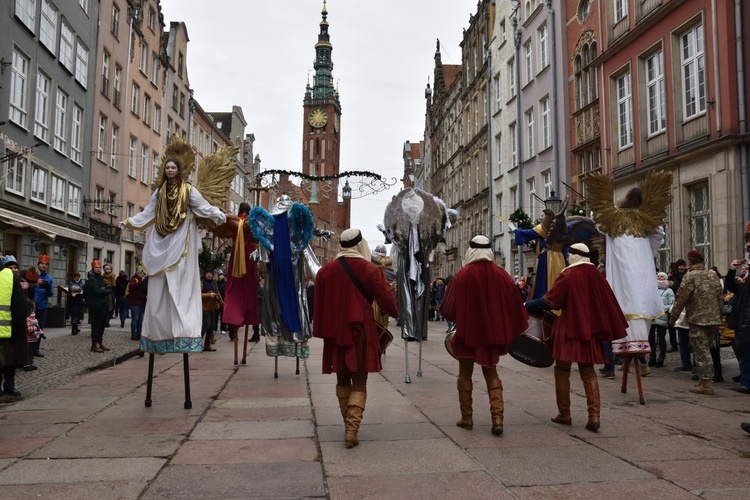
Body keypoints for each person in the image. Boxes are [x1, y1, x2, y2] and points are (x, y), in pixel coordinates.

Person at [121, 156, 226, 354]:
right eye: (167, 167)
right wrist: (130, 222)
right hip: (162, 240)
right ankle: (159, 332)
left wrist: (216, 213)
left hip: (181, 240)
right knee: (158, 288)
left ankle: (185, 330)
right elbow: (149, 212)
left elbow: (202, 205)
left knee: (182, 286)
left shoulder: (188, 189)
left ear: (179, 170)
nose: (170, 170)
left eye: (173, 167)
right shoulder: (159, 192)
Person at [526, 243, 628, 432]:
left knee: (562, 370)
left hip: (569, 327)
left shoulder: (569, 274)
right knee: (588, 371)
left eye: (569, 254)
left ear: (574, 255)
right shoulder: (597, 276)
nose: (567, 258)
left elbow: (551, 301)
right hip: (589, 329)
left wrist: (527, 305)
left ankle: (564, 413)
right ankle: (594, 416)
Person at [313, 228, 399, 448]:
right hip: (360, 330)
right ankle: (352, 431)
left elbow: (318, 305)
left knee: (342, 379)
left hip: (335, 332)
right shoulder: (370, 269)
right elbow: (387, 301)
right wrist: (398, 310)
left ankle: (348, 425)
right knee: (360, 380)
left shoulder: (325, 271)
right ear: (361, 245)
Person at [440, 235, 529, 436]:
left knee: (464, 373)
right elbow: (515, 305)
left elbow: (448, 309)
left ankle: (467, 418)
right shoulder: (502, 275)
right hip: (491, 334)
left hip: (467, 333)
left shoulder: (462, 275)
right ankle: (497, 419)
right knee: (491, 372)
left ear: (470, 250)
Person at [588, 172, 671, 379]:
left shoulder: (613, 217)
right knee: (641, 301)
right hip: (641, 267)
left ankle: (628, 347)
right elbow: (659, 234)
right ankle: (642, 350)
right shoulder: (645, 220)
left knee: (625, 299)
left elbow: (596, 220)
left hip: (623, 268)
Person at [669, 250, 724, 395]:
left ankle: (705, 383)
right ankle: (703, 379)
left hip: (698, 319)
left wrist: (673, 318)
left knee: (701, 351)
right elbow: (720, 298)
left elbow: (681, 299)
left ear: (690, 261)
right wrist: (718, 316)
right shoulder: (713, 276)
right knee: (708, 350)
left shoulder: (690, 276)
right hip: (712, 319)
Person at [217, 202, 260, 344]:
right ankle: (249, 319)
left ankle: (233, 320)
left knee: (234, 284)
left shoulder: (235, 221)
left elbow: (225, 224)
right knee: (250, 285)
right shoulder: (252, 222)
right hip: (249, 252)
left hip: (237, 252)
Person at [508, 210, 565, 299]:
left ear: (547, 216)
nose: (541, 217)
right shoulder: (559, 228)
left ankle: (543, 299)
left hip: (547, 257)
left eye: (542, 215)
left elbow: (529, 233)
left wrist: (515, 230)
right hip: (559, 258)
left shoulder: (542, 228)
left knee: (543, 281)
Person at [0, 255, 30, 397]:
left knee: (8, 360)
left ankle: (8, 386)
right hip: (9, 328)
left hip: (9, 328)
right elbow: (19, 307)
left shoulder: (10, 276)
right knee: (9, 360)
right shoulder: (9, 276)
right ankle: (9, 386)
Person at [724, 231, 750, 394]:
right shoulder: (744, 280)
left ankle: (746, 383)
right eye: (746, 242)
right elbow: (732, 287)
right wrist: (732, 270)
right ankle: (745, 380)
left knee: (745, 352)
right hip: (742, 322)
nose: (747, 245)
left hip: (747, 323)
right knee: (742, 351)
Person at [85, 260, 112, 353]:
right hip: (96, 305)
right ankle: (94, 344)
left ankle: (100, 343)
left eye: (99, 267)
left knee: (102, 325)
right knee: (96, 325)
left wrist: (106, 289)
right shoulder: (92, 279)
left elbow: (103, 288)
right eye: (96, 267)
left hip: (104, 304)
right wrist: (108, 290)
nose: (98, 269)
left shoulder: (101, 277)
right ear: (93, 269)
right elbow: (98, 292)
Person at [649, 272, 675, 367]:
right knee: (651, 338)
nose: (660, 278)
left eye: (662, 276)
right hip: (652, 317)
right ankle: (652, 357)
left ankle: (661, 358)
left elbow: (672, 304)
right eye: (658, 276)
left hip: (662, 317)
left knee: (661, 339)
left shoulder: (669, 291)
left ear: (665, 278)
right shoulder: (653, 289)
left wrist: (663, 308)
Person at [33, 254, 53, 356]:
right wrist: (35, 283)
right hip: (32, 306)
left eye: (46, 264)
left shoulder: (49, 278)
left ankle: (36, 349)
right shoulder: (33, 275)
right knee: (31, 328)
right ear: (38, 264)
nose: (44, 266)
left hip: (43, 306)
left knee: (40, 328)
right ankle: (30, 350)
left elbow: (51, 294)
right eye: (42, 264)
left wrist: (48, 287)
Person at [667, 259, 688, 352]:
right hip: (674, 300)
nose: (681, 267)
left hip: (685, 302)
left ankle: (688, 343)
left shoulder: (687, 275)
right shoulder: (673, 275)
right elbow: (670, 286)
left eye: (683, 265)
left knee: (685, 324)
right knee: (671, 324)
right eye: (680, 266)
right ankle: (673, 344)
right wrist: (669, 277)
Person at [200, 269, 222, 351]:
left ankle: (207, 345)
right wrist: (209, 295)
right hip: (205, 308)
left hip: (213, 307)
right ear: (204, 275)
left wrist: (222, 303)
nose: (209, 275)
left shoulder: (214, 282)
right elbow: (198, 294)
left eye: (210, 273)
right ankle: (197, 343)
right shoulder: (201, 282)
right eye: (207, 273)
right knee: (206, 325)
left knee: (212, 326)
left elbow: (218, 293)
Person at [127, 267, 147, 341]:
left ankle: (139, 333)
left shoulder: (142, 281)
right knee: (135, 319)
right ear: (137, 274)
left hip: (141, 303)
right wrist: (141, 281)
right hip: (134, 303)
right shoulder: (134, 279)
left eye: (143, 274)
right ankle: (133, 334)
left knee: (140, 320)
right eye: (141, 273)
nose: (142, 275)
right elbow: (132, 287)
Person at [23, 301, 41, 371]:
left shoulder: (33, 317)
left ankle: (30, 362)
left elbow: (38, 326)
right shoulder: (27, 318)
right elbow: (27, 328)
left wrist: (40, 332)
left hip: (34, 338)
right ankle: (26, 364)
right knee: (28, 352)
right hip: (28, 339)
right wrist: (35, 329)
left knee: (32, 351)